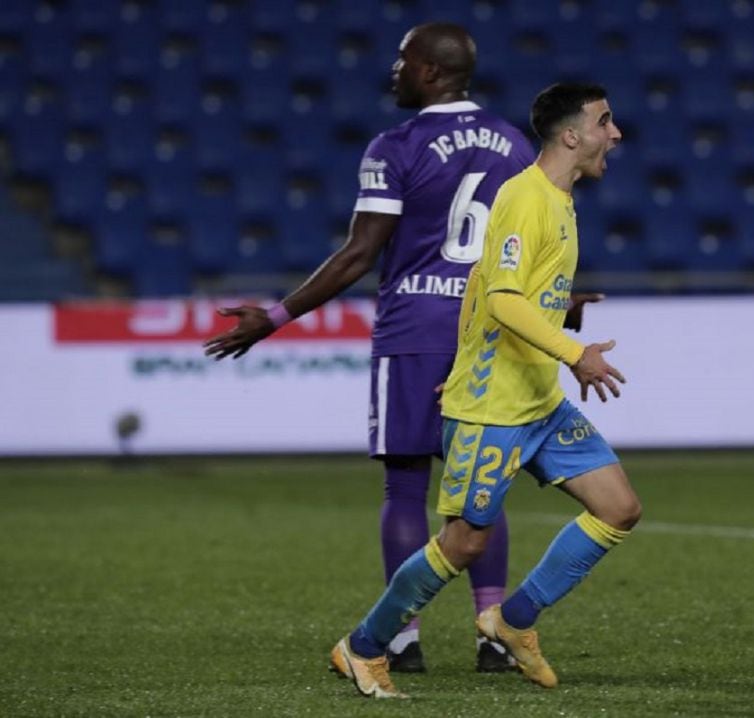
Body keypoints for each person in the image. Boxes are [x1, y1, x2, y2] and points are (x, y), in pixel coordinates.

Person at [202, 23, 557, 673]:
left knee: (405, 486)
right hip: (489, 336)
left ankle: (400, 637)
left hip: (414, 332)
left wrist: (276, 315)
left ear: (428, 72)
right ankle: (492, 634)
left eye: (401, 61)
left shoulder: (396, 146)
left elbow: (360, 253)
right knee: (481, 490)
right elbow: (533, 246)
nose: (391, 71)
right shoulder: (513, 144)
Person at [330, 82, 640, 700]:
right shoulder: (526, 197)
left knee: (618, 507)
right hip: (493, 408)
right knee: (464, 542)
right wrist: (576, 353)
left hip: (538, 400)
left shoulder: (557, 198)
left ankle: (513, 621)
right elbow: (502, 297)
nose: (616, 133)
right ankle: (363, 647)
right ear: (571, 134)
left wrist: (476, 348)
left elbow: (482, 283)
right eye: (605, 121)